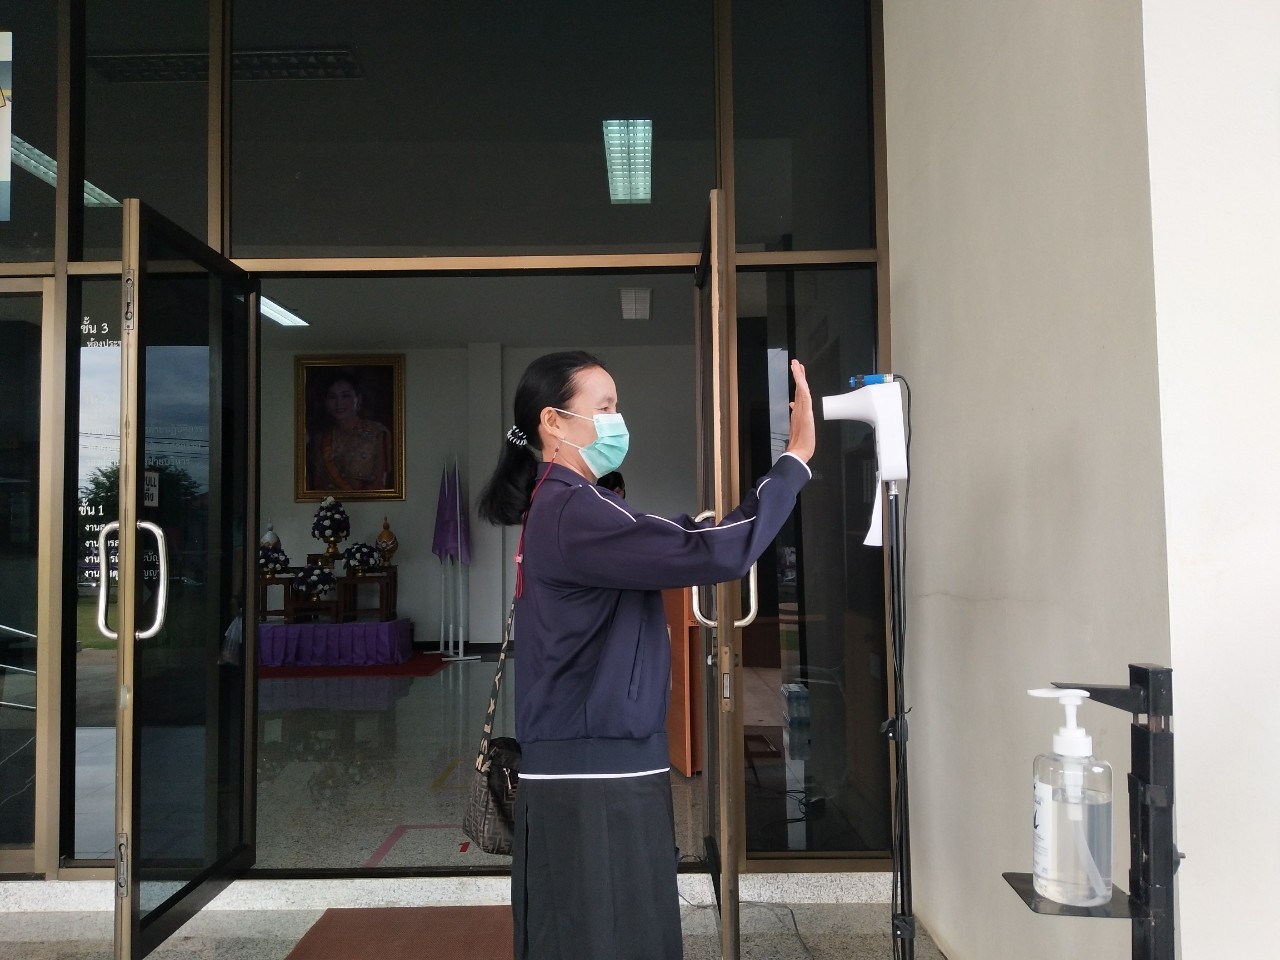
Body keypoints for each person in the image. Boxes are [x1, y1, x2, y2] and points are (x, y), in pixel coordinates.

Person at [478, 350, 815, 960]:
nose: (617, 420)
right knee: (611, 933)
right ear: (553, 421)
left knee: (587, 929)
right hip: (594, 769)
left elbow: (680, 543)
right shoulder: (575, 508)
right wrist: (792, 463)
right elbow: (714, 550)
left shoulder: (563, 503)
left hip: (587, 757)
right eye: (604, 407)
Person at [307, 372, 391, 491]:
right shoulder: (319, 439)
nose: (339, 403)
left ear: (358, 399)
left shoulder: (376, 433)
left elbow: (378, 485)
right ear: (326, 402)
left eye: (345, 396)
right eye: (332, 397)